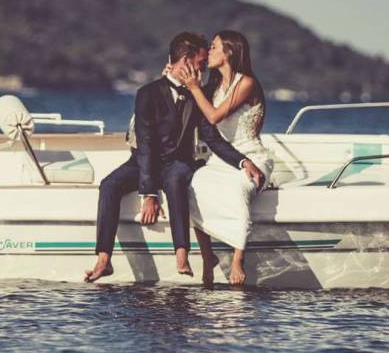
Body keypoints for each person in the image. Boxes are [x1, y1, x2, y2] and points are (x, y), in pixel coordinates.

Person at [86, 32, 266, 283]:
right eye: (200, 64)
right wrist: (148, 193)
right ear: (185, 62)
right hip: (141, 163)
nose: (203, 70)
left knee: (177, 178)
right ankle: (104, 259)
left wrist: (241, 161)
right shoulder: (148, 93)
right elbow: (145, 145)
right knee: (109, 184)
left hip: (176, 164)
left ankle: (182, 253)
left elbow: (211, 136)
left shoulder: (197, 95)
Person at [171, 30, 272, 285]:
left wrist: (194, 88)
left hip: (251, 154)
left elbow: (214, 116)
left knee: (237, 187)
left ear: (229, 51)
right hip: (222, 158)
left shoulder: (246, 82)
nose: (209, 52)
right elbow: (193, 102)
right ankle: (208, 256)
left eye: (214, 47)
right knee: (194, 185)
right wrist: (177, 79)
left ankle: (238, 257)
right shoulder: (214, 85)